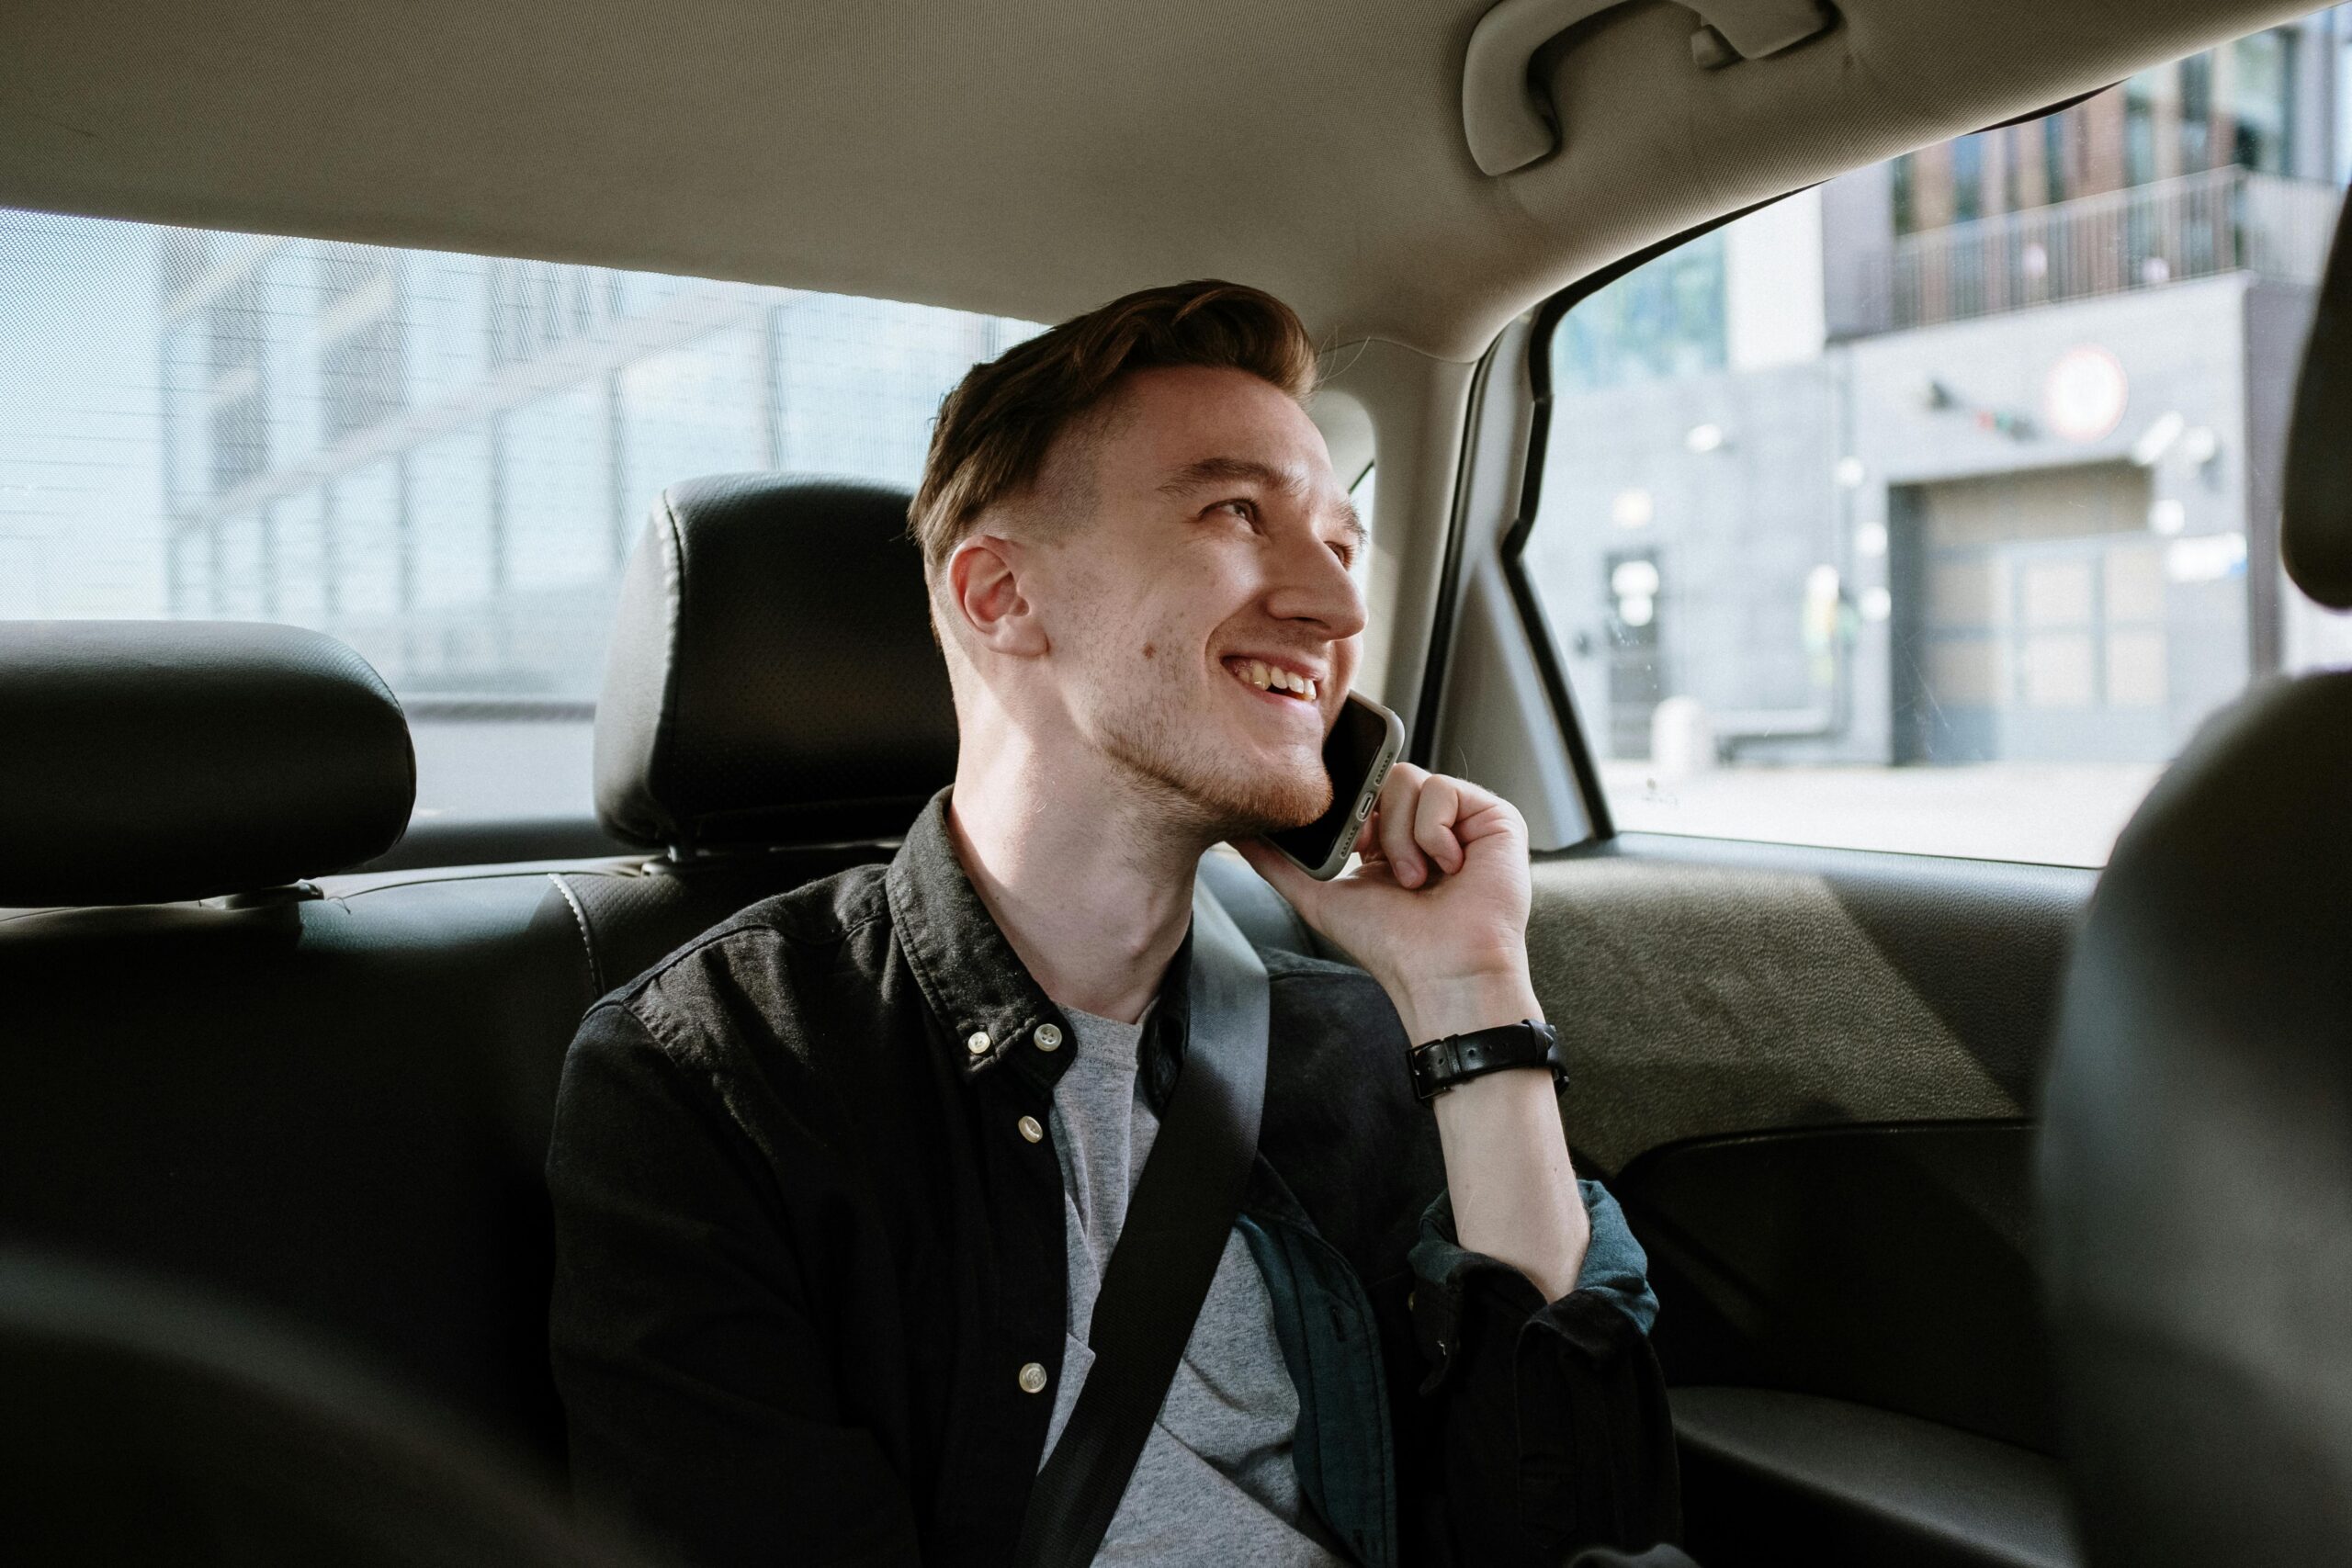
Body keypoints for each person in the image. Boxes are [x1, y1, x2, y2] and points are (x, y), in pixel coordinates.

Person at [547, 281, 1678, 1568]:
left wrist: (1472, 992)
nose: (1337, 607)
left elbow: (1580, 1528)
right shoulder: (721, 1074)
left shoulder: (1355, 1045)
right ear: (999, 597)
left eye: (1341, 543)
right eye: (1234, 513)